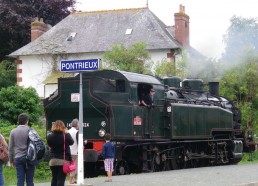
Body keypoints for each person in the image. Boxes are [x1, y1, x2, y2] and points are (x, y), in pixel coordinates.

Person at [9, 113, 35, 186]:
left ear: (18, 121)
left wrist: (11, 160)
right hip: (30, 158)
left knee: (20, 180)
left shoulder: (13, 131)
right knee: (30, 181)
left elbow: (10, 148)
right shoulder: (31, 130)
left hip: (18, 158)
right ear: (27, 121)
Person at [47, 120, 74, 186]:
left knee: (54, 178)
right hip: (63, 160)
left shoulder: (50, 136)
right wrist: (67, 132)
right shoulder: (65, 135)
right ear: (63, 127)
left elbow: (49, 145)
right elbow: (72, 142)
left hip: (53, 160)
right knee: (61, 179)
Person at [68, 119, 79, 184]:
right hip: (75, 151)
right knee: (74, 166)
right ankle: (70, 180)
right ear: (77, 124)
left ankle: (73, 179)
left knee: (70, 165)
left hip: (68, 151)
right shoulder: (77, 132)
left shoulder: (68, 131)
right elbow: (78, 142)